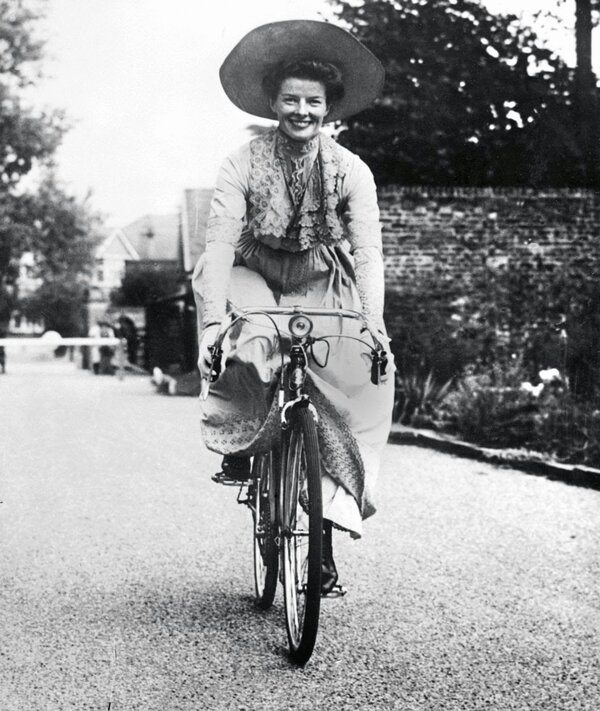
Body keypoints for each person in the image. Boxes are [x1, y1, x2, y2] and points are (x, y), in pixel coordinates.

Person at [192, 20, 395, 593]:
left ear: (330, 110)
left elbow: (369, 252)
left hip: (321, 273)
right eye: (290, 100)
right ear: (273, 103)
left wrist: (373, 325)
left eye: (314, 102)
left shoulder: (353, 171)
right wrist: (212, 325)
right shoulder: (241, 162)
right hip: (251, 268)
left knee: (357, 370)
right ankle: (243, 441)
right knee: (251, 344)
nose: (301, 111)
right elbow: (219, 244)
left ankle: (327, 533)